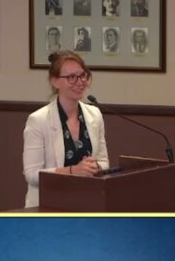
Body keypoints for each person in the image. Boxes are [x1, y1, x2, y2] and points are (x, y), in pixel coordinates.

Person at [21, 51, 109, 208]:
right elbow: (32, 175)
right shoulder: (38, 120)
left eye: (83, 75)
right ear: (55, 81)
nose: (80, 81)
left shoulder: (94, 114)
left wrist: (94, 167)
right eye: (71, 77)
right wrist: (72, 171)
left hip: (88, 202)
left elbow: (104, 162)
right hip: (49, 205)